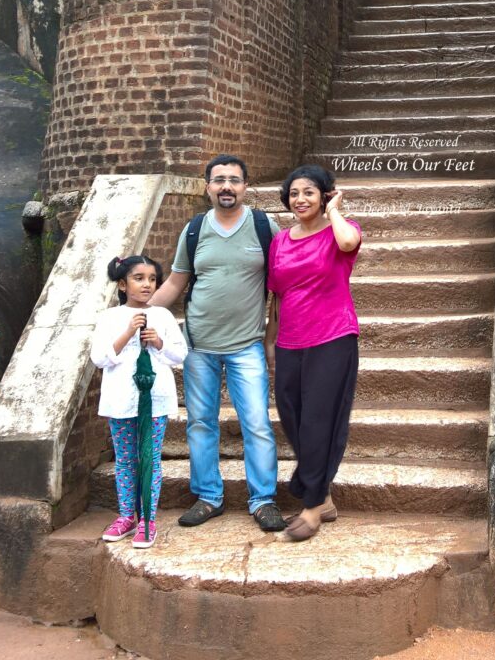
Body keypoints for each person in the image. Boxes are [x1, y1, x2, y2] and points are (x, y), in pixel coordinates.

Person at [150, 154, 286, 532]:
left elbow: (280, 288)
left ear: (245, 186)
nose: (227, 186)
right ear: (208, 186)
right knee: (200, 424)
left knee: (256, 423)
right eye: (219, 180)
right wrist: (137, 312)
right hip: (198, 346)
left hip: (247, 345)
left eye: (234, 180)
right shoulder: (195, 229)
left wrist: (272, 338)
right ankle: (208, 496)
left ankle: (263, 500)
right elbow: (175, 283)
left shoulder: (265, 227)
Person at [266, 164, 362, 541]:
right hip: (290, 340)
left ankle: (312, 505)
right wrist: (271, 339)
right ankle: (324, 497)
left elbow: (348, 244)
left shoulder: (342, 230)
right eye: (294, 193)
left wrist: (334, 211)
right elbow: (277, 294)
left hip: (333, 337)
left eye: (309, 192)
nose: (300, 199)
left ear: (324, 195)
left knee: (319, 421)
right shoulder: (280, 241)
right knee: (292, 416)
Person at [91, 255, 187, 549]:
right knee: (125, 459)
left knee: (150, 457)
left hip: (155, 400)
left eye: (152, 279)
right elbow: (99, 358)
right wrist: (128, 332)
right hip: (121, 400)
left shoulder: (163, 316)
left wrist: (158, 342)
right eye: (139, 278)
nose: (147, 284)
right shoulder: (110, 318)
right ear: (122, 284)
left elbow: (180, 355)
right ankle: (126, 516)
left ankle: (147, 518)